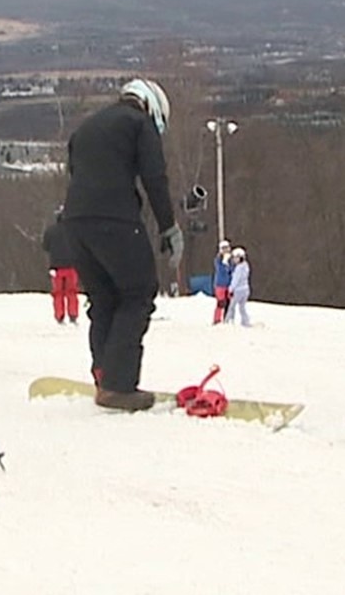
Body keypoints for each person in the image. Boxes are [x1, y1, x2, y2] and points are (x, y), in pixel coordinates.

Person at [59, 78, 182, 411]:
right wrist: (169, 227)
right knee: (138, 293)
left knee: (104, 299)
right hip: (115, 220)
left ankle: (103, 374)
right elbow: (155, 177)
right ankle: (119, 385)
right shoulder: (139, 124)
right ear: (152, 106)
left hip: (75, 223)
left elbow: (76, 172)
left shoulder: (87, 127)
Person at [42, 207, 81, 324]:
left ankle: (59, 315)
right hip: (72, 266)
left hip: (56, 267)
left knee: (58, 293)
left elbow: (45, 247)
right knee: (72, 292)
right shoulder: (74, 231)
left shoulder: (50, 231)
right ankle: (73, 314)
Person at [227, 246, 252, 326]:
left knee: (232, 306)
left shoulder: (239, 268)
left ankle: (229, 321)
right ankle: (245, 321)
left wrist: (230, 289)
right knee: (242, 307)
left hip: (238, 290)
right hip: (246, 289)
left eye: (235, 258)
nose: (234, 260)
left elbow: (235, 280)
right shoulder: (246, 266)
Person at [212, 240, 234, 324]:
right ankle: (217, 319)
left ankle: (227, 319)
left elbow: (232, 270)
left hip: (229, 285)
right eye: (223, 249)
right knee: (221, 302)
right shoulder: (218, 260)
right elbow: (221, 270)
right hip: (220, 285)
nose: (226, 251)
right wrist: (225, 264)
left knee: (229, 302)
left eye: (227, 248)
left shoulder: (231, 259)